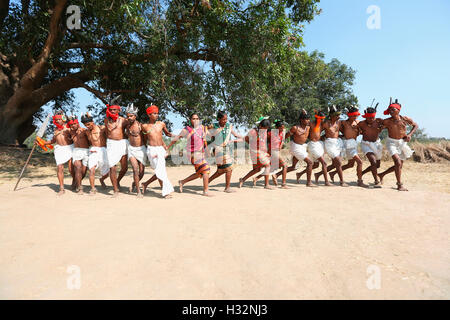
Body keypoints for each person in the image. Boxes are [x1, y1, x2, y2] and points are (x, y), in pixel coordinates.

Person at [167, 113, 212, 196]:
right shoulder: (187, 129)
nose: (195, 120)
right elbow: (176, 138)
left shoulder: (202, 128)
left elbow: (209, 137)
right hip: (192, 154)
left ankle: (182, 182)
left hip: (201, 153)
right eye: (193, 119)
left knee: (200, 173)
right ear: (190, 120)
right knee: (206, 169)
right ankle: (206, 191)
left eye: (197, 118)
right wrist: (168, 147)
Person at [378, 99, 418, 191]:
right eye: (390, 110)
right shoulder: (387, 121)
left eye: (393, 109)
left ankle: (382, 174)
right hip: (391, 142)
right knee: (398, 162)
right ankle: (399, 185)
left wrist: (409, 135)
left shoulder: (405, 119)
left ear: (398, 110)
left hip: (402, 143)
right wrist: (379, 125)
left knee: (399, 165)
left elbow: (415, 125)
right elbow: (379, 128)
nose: (391, 111)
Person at [328, 106, 368, 187]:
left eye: (356, 115)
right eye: (353, 115)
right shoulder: (343, 123)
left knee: (350, 164)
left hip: (354, 144)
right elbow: (338, 130)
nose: (355, 117)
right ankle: (360, 181)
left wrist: (358, 129)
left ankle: (333, 173)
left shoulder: (358, 123)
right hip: (347, 144)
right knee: (360, 162)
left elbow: (362, 132)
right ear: (349, 115)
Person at [141, 105, 175, 198]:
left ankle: (163, 191)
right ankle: (163, 191)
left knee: (160, 171)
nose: (157, 115)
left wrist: (175, 136)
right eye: (154, 113)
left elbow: (167, 133)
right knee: (160, 171)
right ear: (149, 115)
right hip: (152, 150)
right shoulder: (145, 127)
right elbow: (144, 139)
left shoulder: (161, 124)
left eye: (157, 113)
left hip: (160, 149)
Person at [278, 110, 316, 187]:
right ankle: (308, 183)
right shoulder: (295, 128)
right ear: (301, 120)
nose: (308, 121)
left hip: (302, 147)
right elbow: (285, 136)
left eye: (308, 119)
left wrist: (306, 113)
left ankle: (276, 175)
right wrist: (279, 144)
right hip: (295, 147)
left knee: (293, 167)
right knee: (310, 163)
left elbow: (317, 123)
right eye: (306, 119)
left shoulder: (308, 127)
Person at [40, 111, 75, 195]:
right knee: (59, 168)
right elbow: (53, 141)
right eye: (57, 120)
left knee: (71, 169)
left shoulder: (68, 127)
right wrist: (43, 142)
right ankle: (61, 188)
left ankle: (75, 182)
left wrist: (70, 131)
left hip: (69, 148)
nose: (58, 121)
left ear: (63, 119)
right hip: (59, 149)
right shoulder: (55, 129)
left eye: (60, 119)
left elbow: (75, 135)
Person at [208, 111, 243, 193]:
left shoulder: (229, 126)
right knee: (229, 168)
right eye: (223, 119)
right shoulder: (214, 126)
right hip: (218, 149)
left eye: (226, 119)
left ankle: (207, 181)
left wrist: (244, 137)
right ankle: (227, 188)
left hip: (226, 149)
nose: (225, 121)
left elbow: (235, 134)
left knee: (220, 170)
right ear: (218, 119)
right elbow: (206, 132)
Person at [297, 110, 332, 186]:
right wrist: (304, 113)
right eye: (321, 119)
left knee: (316, 165)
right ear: (317, 118)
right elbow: (303, 121)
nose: (323, 120)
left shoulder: (322, 125)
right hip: (312, 145)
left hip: (319, 145)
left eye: (323, 119)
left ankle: (299, 174)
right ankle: (326, 181)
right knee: (324, 163)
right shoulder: (311, 124)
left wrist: (322, 137)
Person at [315, 105, 348, 186]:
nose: (338, 117)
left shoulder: (339, 123)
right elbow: (317, 131)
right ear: (332, 116)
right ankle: (342, 181)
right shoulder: (326, 124)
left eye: (339, 115)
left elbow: (343, 133)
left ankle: (318, 174)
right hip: (329, 144)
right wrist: (320, 138)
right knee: (338, 162)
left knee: (335, 164)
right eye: (337, 115)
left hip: (337, 143)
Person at [238, 117, 273, 189]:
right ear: (260, 126)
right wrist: (252, 146)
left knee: (257, 169)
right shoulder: (253, 132)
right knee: (267, 165)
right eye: (264, 128)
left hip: (262, 152)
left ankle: (242, 179)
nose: (266, 130)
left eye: (267, 128)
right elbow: (246, 139)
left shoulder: (265, 132)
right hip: (256, 152)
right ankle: (266, 185)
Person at [81, 112, 109, 194]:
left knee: (107, 172)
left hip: (103, 150)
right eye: (85, 125)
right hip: (93, 150)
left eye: (89, 124)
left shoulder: (101, 128)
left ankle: (102, 179)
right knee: (91, 169)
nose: (87, 126)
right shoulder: (86, 132)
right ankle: (93, 188)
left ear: (93, 122)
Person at [104, 103, 128, 196]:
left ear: (119, 110)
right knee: (112, 167)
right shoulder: (106, 120)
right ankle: (115, 189)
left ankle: (117, 181)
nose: (113, 111)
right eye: (111, 110)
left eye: (115, 110)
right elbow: (106, 132)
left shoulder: (124, 120)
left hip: (122, 143)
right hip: (111, 144)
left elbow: (129, 130)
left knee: (124, 167)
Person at [125, 103, 147, 197]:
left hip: (141, 149)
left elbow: (146, 138)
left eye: (131, 116)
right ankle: (138, 191)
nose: (129, 118)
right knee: (135, 169)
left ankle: (134, 184)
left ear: (135, 116)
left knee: (141, 172)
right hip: (131, 149)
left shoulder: (140, 126)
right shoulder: (126, 126)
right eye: (128, 116)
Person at [358, 105, 384, 187]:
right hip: (366, 144)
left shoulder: (379, 121)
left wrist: (381, 128)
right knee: (373, 161)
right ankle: (376, 180)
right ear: (366, 116)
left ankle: (362, 173)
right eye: (369, 118)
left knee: (377, 165)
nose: (371, 119)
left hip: (377, 143)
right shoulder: (361, 124)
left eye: (372, 117)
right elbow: (357, 130)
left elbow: (388, 124)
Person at [68, 116, 90, 194]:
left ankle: (76, 182)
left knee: (83, 171)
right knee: (77, 167)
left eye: (75, 124)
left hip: (86, 151)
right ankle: (80, 187)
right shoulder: (70, 131)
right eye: (71, 125)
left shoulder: (84, 131)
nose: (73, 126)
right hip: (76, 151)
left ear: (78, 123)